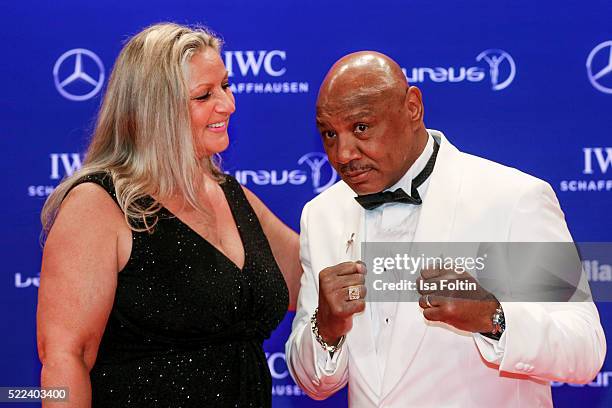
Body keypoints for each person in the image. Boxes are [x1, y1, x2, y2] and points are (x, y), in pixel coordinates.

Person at [285, 51, 606, 407]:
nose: (342, 153)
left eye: (361, 127)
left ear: (412, 107)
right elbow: (314, 383)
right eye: (329, 134)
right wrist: (327, 327)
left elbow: (585, 348)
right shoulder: (322, 215)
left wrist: (492, 316)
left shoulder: (511, 198)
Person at [37, 22, 302, 407]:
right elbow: (65, 358)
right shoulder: (99, 204)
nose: (228, 104)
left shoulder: (232, 195)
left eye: (225, 87)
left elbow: (315, 274)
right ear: (156, 109)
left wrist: (415, 268)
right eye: (204, 95)